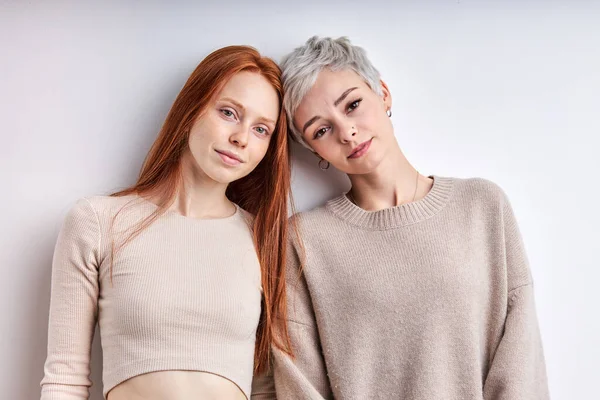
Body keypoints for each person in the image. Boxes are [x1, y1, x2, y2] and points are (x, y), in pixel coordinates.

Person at [272, 36, 549, 399]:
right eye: (321, 130)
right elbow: (298, 382)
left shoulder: (481, 206)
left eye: (352, 104)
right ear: (312, 149)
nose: (346, 131)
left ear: (383, 93)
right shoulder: (304, 241)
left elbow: (520, 362)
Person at [40, 45, 293, 400]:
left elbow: (265, 388)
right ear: (192, 108)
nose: (241, 138)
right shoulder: (97, 222)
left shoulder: (263, 239)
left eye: (261, 129)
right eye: (228, 112)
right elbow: (64, 380)